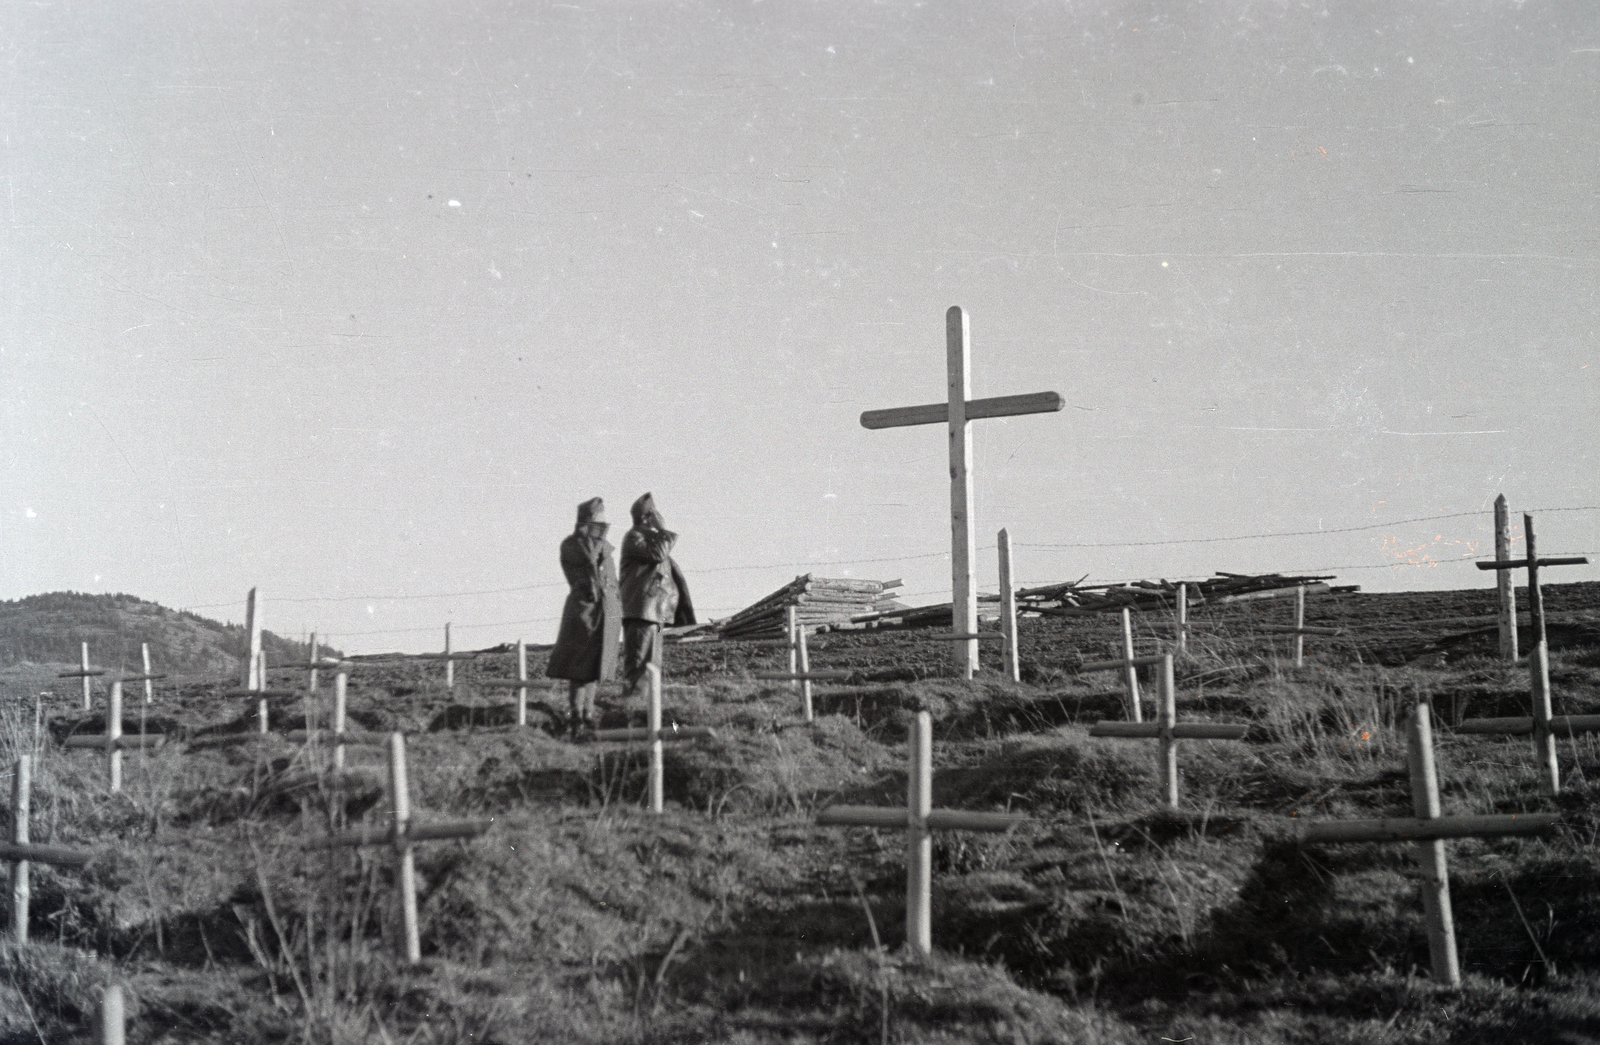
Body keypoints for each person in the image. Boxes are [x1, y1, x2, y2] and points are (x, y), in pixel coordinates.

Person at [545, 497, 620, 735]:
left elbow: (610, 579)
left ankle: (587, 716)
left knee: (594, 670)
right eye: (598, 518)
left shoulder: (599, 543)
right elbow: (588, 559)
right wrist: (596, 534)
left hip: (604, 612)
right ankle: (576, 717)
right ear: (587, 520)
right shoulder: (573, 544)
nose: (603, 522)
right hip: (584, 611)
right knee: (580, 670)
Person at [618, 492, 695, 704]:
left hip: (656, 614)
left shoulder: (650, 539)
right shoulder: (635, 537)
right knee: (640, 659)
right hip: (642, 612)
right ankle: (634, 703)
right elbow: (658, 555)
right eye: (655, 514)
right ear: (647, 517)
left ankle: (647, 703)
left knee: (653, 660)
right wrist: (663, 530)